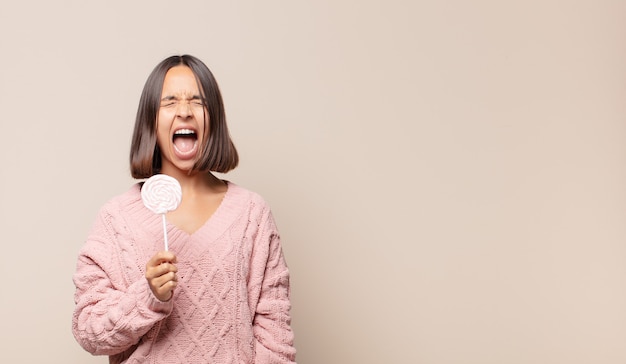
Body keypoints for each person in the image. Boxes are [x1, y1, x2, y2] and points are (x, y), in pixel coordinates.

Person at [72, 55, 296, 363]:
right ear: (151, 120)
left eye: (197, 102)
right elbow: (89, 331)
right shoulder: (117, 219)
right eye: (170, 102)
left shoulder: (252, 215)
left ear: (213, 118)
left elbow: (275, 338)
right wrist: (147, 295)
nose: (185, 112)